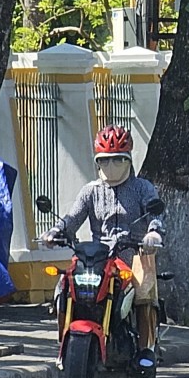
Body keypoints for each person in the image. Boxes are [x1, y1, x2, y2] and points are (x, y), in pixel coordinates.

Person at [41, 125, 163, 353]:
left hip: (133, 256)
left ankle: (146, 351)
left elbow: (155, 213)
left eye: (118, 160)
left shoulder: (141, 188)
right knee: (63, 286)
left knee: (144, 294)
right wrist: (56, 232)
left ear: (128, 160)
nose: (111, 166)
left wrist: (153, 233)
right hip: (97, 259)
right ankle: (64, 345)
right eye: (105, 160)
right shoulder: (90, 191)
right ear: (97, 162)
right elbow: (72, 218)